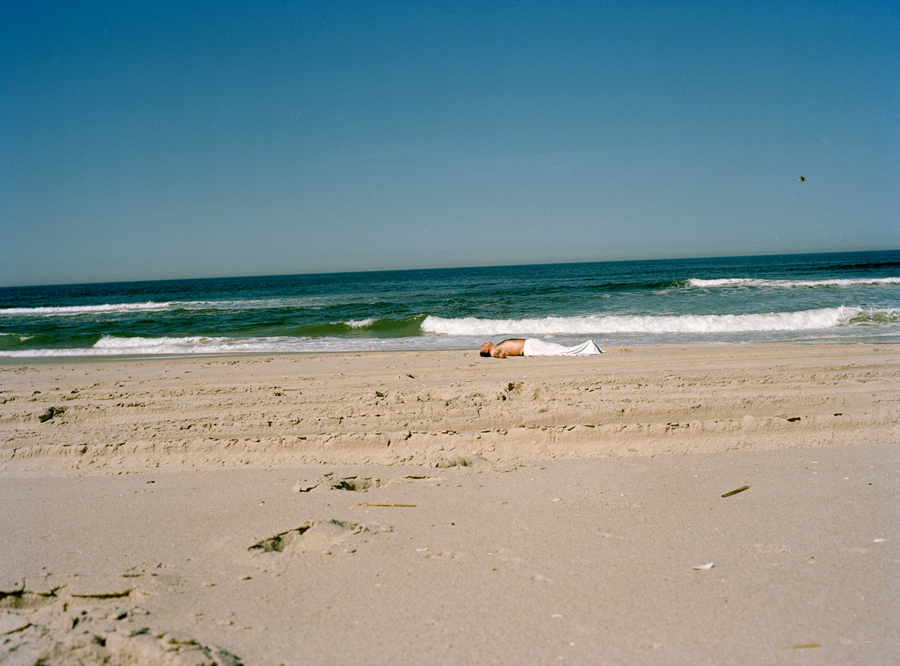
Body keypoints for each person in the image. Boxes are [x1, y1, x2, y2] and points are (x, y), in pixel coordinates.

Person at [480, 338, 602, 357]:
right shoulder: (494, 350)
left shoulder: (496, 346)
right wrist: (499, 356)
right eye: (482, 346)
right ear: (486, 350)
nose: (484, 343)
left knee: (556, 348)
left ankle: (587, 346)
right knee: (556, 350)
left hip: (530, 345)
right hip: (528, 347)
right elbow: (497, 355)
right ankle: (588, 346)